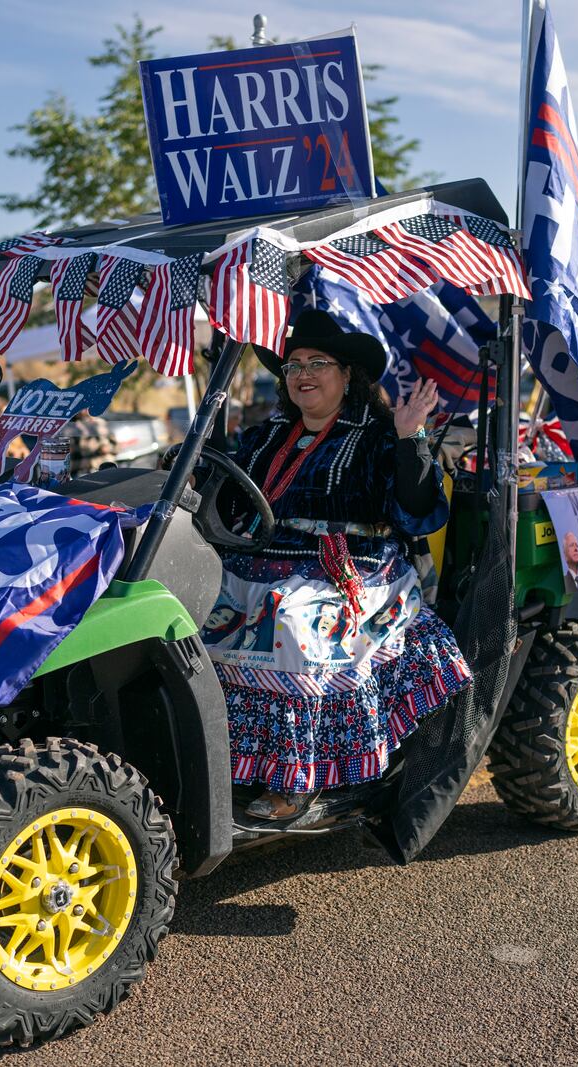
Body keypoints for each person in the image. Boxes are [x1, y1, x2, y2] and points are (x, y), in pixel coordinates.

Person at [200, 309, 472, 820]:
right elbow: (231, 505)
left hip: (350, 565)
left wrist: (410, 437)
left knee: (287, 621)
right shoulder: (265, 437)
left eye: (317, 362)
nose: (302, 373)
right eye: (293, 364)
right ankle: (219, 763)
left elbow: (416, 513)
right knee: (188, 612)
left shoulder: (375, 435)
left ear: (348, 375)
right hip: (262, 558)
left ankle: (295, 780)